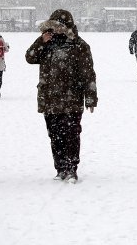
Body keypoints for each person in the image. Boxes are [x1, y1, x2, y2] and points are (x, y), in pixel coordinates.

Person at [25, 9, 98, 184]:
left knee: (72, 134)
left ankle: (72, 168)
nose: (55, 29)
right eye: (52, 26)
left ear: (66, 26)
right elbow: (29, 57)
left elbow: (88, 74)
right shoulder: (46, 43)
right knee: (55, 135)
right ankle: (60, 168)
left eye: (58, 26)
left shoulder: (79, 45)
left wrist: (90, 97)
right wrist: (40, 41)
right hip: (50, 98)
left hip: (72, 99)